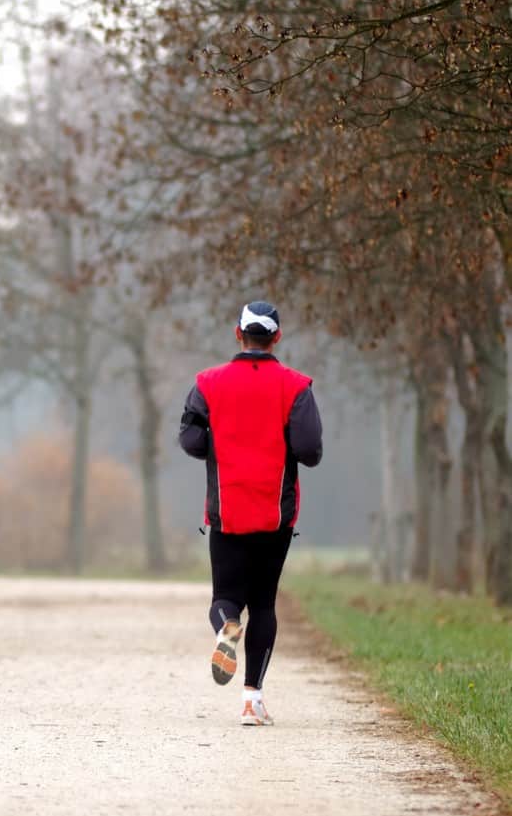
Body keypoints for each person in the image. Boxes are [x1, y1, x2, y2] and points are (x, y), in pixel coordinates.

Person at [178, 301, 323, 726]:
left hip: (226, 510)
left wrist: (219, 450)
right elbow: (310, 451)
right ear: (276, 337)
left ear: (236, 333)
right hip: (274, 515)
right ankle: (252, 701)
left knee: (225, 597)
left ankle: (226, 625)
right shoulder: (296, 387)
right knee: (263, 603)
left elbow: (189, 439)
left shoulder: (207, 384)